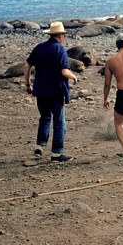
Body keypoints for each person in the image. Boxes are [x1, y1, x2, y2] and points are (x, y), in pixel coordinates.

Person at [24, 21, 78, 162]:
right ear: (60, 35)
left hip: (40, 90)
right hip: (55, 91)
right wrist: (74, 77)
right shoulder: (60, 49)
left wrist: (27, 84)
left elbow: (26, 66)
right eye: (63, 35)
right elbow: (64, 71)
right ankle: (57, 153)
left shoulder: (39, 48)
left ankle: (39, 147)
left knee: (45, 118)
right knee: (59, 121)